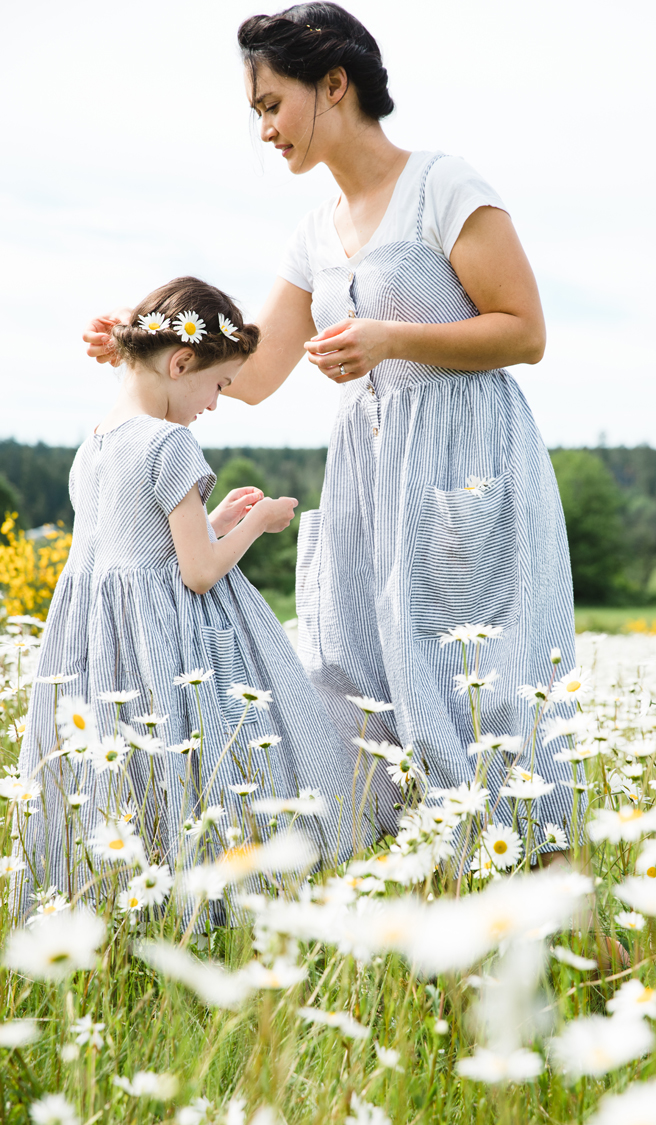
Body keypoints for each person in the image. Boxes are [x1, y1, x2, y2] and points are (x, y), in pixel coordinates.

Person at [84, 3, 578, 852]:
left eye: (272, 104)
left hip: (462, 469)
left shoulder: (442, 185)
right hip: (367, 483)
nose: (265, 129)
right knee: (365, 678)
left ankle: (542, 883)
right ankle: (423, 892)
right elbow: (259, 370)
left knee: (482, 683)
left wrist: (392, 338)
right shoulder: (314, 233)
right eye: (258, 112)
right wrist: (148, 344)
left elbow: (524, 331)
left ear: (335, 85)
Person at [20, 276, 356, 912]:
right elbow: (198, 575)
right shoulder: (170, 440)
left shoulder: (95, 442)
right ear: (182, 363)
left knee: (122, 768)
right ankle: (222, 895)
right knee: (206, 756)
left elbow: (146, 546)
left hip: (102, 640)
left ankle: (106, 893)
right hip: (167, 640)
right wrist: (259, 522)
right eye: (220, 385)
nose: (215, 403)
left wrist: (219, 518)